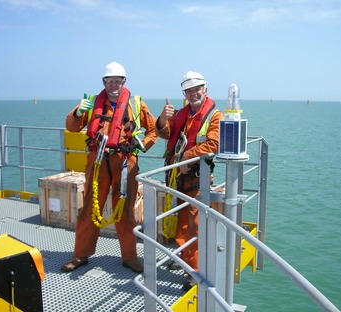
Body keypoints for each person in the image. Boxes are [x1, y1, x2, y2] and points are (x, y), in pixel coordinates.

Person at [61, 61, 158, 273]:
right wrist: (78, 113)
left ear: (124, 82)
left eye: (117, 81)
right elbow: (72, 127)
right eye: (109, 81)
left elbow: (153, 132)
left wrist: (143, 145)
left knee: (125, 210)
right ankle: (80, 255)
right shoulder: (92, 103)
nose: (113, 84)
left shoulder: (137, 104)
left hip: (125, 162)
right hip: (97, 161)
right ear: (104, 82)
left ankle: (130, 257)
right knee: (89, 207)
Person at [156, 71, 224, 291]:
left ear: (205, 90)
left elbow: (214, 144)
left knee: (194, 223)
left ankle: (194, 271)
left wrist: (187, 157)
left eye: (197, 89)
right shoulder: (181, 114)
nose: (193, 94)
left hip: (197, 177)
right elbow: (166, 135)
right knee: (179, 217)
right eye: (189, 90)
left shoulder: (215, 116)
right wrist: (162, 119)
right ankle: (183, 258)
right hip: (176, 176)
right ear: (184, 93)